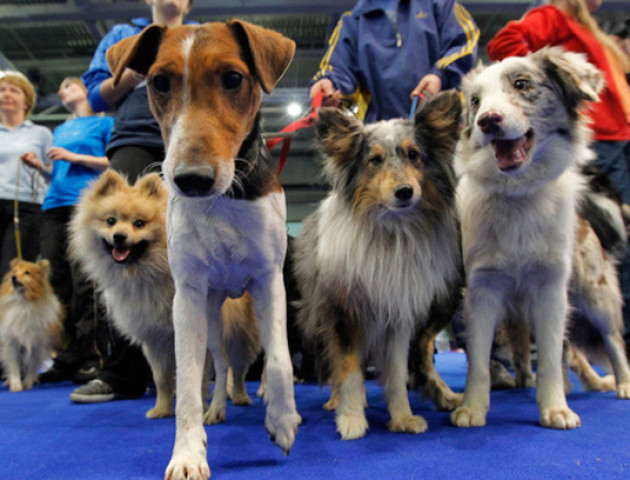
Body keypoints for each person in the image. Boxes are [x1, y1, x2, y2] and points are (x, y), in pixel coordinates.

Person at [486, 0, 630, 354]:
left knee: (611, 244)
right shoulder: (551, 16)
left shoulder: (584, 25)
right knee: (609, 244)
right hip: (601, 142)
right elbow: (504, 45)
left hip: (615, 139)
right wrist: (540, 91)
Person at [70, 0, 194, 403]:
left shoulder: (201, 34)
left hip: (190, 143)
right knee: (117, 265)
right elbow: (97, 96)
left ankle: (211, 364)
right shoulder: (124, 35)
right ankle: (123, 373)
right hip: (137, 139)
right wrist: (136, 71)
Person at [36, 77, 113, 385]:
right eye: (60, 88)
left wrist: (75, 157)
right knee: (58, 282)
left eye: (66, 85)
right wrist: (39, 168)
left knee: (87, 284)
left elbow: (113, 162)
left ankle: (94, 355)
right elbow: (57, 171)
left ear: (85, 89)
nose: (60, 91)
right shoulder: (60, 130)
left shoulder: (104, 123)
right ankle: (67, 356)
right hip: (52, 205)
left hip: (85, 205)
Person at [308, 0, 479, 123]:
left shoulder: (441, 4)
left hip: (444, 129)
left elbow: (464, 43)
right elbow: (337, 68)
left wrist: (440, 76)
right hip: (382, 134)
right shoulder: (352, 22)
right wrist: (327, 85)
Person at [0, 70, 52, 278]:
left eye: (13, 90)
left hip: (25, 208)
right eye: (2, 90)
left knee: (13, 271)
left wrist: (38, 165)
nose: (6, 94)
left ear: (26, 101)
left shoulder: (40, 133)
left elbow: (52, 175)